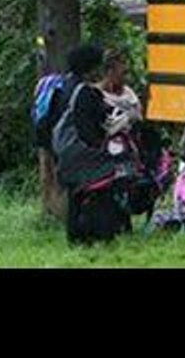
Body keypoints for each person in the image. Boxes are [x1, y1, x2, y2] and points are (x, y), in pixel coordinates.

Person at [55, 43, 134, 245]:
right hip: (83, 153)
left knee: (76, 195)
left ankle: (76, 237)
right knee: (110, 177)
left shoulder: (65, 86)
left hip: (66, 150)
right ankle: (103, 232)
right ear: (92, 67)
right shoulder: (87, 93)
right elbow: (90, 130)